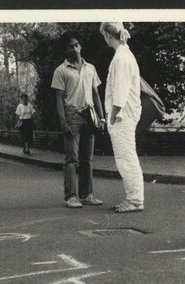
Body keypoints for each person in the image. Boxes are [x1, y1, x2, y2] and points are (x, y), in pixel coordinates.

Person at [52, 32, 105, 208]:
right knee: (71, 159)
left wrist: (102, 117)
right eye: (70, 46)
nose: (74, 48)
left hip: (89, 116)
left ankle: (87, 194)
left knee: (87, 159)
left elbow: (96, 94)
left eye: (76, 45)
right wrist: (63, 122)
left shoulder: (90, 68)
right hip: (72, 116)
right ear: (65, 50)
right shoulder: (61, 70)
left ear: (80, 46)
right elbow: (58, 98)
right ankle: (71, 197)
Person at [100, 22, 145, 213]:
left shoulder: (122, 58)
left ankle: (135, 200)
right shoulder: (123, 55)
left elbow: (120, 91)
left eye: (104, 35)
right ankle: (133, 198)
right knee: (125, 158)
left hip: (122, 116)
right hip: (123, 115)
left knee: (126, 158)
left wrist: (112, 116)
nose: (104, 39)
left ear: (109, 35)